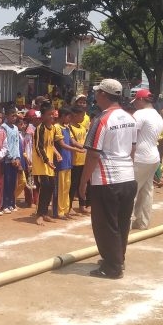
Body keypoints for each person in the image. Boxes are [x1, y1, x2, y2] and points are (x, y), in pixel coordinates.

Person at [78, 78, 137, 279]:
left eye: (97, 92)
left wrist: (83, 181)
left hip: (107, 179)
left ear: (103, 94)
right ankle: (118, 259)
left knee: (105, 225)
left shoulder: (101, 120)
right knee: (121, 222)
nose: (95, 96)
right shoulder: (130, 118)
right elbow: (133, 148)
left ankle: (112, 267)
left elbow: (93, 154)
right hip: (128, 177)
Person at [130, 89, 163, 230]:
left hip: (140, 157)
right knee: (147, 190)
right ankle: (142, 222)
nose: (135, 104)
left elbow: (132, 137)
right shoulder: (157, 115)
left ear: (141, 100)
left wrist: (129, 157)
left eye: (136, 101)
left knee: (131, 191)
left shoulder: (140, 114)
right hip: (153, 156)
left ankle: (125, 223)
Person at [54, 107, 83, 218]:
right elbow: (62, 144)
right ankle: (59, 211)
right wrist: (77, 150)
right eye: (69, 116)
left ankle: (65, 210)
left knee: (67, 186)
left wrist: (83, 146)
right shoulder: (57, 127)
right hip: (60, 162)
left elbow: (72, 141)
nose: (70, 118)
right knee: (60, 187)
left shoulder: (66, 127)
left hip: (68, 161)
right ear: (63, 116)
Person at [33, 103, 58, 225]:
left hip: (49, 163)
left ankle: (44, 212)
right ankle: (39, 214)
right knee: (44, 187)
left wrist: (56, 153)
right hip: (41, 163)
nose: (52, 116)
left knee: (51, 186)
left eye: (53, 113)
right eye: (49, 114)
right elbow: (39, 147)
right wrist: (47, 161)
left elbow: (50, 144)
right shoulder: (40, 128)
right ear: (43, 116)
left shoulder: (53, 128)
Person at [1, 107, 22, 214]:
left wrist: (17, 158)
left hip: (15, 159)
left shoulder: (15, 128)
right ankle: (5, 204)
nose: (14, 118)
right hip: (7, 160)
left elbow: (17, 143)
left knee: (13, 183)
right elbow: (4, 144)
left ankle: (11, 203)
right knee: (6, 182)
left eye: (15, 116)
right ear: (7, 116)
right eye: (12, 115)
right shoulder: (3, 127)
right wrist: (10, 157)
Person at [69, 106, 89, 214]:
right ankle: (70, 206)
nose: (83, 117)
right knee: (74, 184)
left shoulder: (82, 127)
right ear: (75, 115)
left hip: (84, 159)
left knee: (83, 183)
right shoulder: (70, 128)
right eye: (82, 115)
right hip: (75, 160)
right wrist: (83, 147)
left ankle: (82, 205)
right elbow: (72, 141)